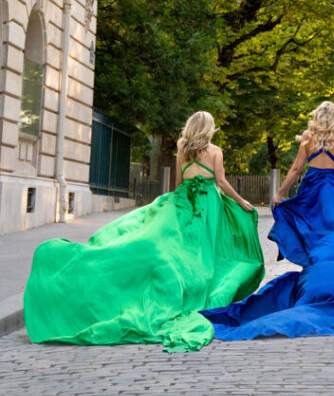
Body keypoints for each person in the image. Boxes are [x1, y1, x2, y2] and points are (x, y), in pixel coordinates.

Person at [24, 111, 264, 352]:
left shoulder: (183, 148)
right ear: (209, 129)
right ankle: (197, 288)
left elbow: (179, 183)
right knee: (202, 253)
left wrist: (176, 201)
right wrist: (241, 201)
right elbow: (220, 182)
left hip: (183, 202)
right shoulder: (215, 152)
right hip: (207, 205)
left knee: (164, 242)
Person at [203, 101, 334, 339]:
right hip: (333, 192)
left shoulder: (307, 139)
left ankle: (318, 273)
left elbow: (296, 169)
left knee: (313, 234)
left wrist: (281, 193)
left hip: (310, 192)